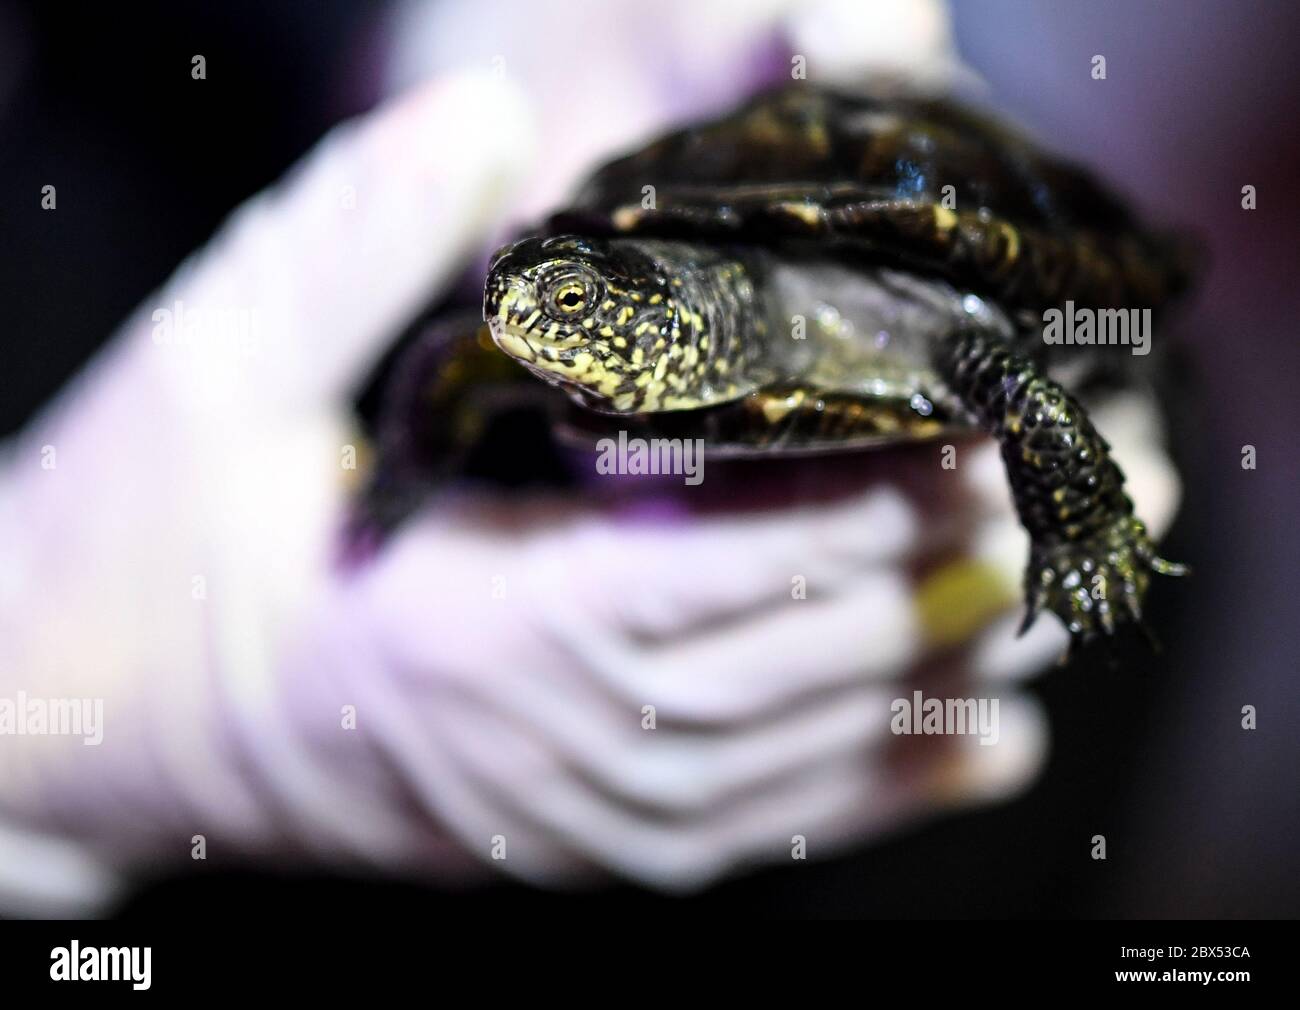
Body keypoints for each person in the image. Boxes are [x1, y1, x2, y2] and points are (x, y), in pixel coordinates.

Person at [0, 3, 1181, 916]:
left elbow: (1013, 371)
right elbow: (469, 353)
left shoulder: (882, 312)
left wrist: (1084, 524)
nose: (523, 314)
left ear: (656, 310)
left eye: (563, 297)